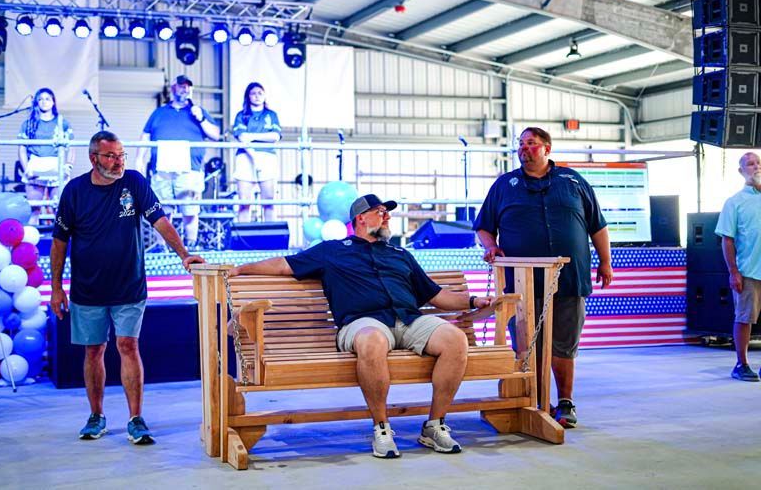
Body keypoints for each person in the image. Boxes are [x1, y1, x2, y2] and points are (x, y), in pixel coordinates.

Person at [229, 194, 494, 458]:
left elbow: (437, 295)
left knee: (455, 339)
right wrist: (241, 269)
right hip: (362, 323)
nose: (387, 216)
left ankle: (434, 425)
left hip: (408, 319)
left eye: (387, 212)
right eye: (381, 212)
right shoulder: (332, 250)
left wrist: (473, 299)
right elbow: (284, 265)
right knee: (373, 340)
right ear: (361, 218)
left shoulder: (400, 253)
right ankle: (381, 427)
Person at [50, 131, 204, 445]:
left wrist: (184, 254)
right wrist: (55, 287)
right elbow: (59, 242)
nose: (119, 161)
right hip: (86, 290)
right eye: (111, 156)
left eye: (122, 155)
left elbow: (160, 221)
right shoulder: (74, 191)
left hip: (129, 285)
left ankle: (136, 418)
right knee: (94, 351)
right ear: (94, 158)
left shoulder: (134, 182)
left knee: (128, 346)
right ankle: (96, 415)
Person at [474, 126, 612, 429]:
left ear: (547, 149)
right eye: (520, 145)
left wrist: (605, 263)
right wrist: (491, 246)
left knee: (563, 344)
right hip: (520, 284)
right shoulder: (504, 185)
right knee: (527, 343)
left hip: (568, 278)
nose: (524, 149)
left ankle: (565, 402)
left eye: (531, 144)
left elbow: (597, 226)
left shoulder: (573, 181)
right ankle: (535, 399)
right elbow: (483, 226)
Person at [135, 75, 221, 248]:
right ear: (173, 88)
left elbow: (215, 135)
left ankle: (190, 245)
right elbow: (145, 136)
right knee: (162, 211)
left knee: (189, 209)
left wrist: (201, 118)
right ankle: (162, 247)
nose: (185, 89)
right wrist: (139, 160)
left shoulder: (198, 111)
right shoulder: (159, 112)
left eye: (188, 86)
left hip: (190, 168)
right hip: (162, 169)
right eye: (181, 86)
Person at [715, 152, 761, 382]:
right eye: (750, 164)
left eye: (759, 163)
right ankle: (741, 364)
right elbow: (728, 239)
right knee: (744, 317)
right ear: (741, 171)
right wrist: (734, 271)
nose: (756, 167)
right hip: (749, 270)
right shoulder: (734, 202)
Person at [18, 88, 74, 225]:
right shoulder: (29, 124)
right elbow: (21, 149)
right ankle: (32, 245)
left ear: (53, 102)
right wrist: (26, 169)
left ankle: (61, 245)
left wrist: (68, 167)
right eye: (40, 99)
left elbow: (71, 147)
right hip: (35, 165)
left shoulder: (62, 123)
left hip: (56, 164)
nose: (44, 102)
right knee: (34, 208)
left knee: (59, 210)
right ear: (36, 102)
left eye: (47, 99)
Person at [232, 82, 282, 222]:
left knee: (268, 201)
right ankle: (243, 239)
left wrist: (252, 136)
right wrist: (254, 156)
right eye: (253, 93)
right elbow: (242, 137)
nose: (257, 96)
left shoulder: (271, 115)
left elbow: (275, 136)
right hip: (245, 157)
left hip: (267, 157)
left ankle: (271, 239)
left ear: (265, 95)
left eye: (260, 93)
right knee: (244, 202)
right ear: (248, 96)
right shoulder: (241, 115)